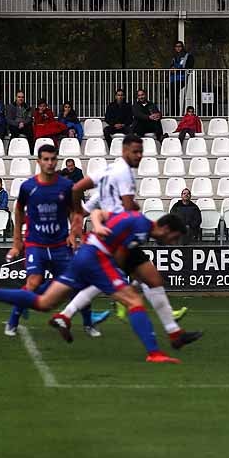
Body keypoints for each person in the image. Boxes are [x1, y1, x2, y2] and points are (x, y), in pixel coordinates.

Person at [0, 205, 188, 363]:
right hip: (96, 258)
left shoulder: (137, 221)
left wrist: (99, 225)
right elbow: (117, 252)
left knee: (45, 302)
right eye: (174, 237)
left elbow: (100, 213)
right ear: (166, 229)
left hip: (85, 256)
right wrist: (117, 276)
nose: (173, 242)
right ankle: (154, 353)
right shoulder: (141, 228)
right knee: (134, 299)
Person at [56, 136, 196, 344]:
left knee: (149, 280)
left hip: (113, 233)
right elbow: (127, 209)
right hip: (119, 235)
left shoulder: (107, 178)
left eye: (141, 152)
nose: (139, 156)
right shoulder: (123, 174)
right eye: (135, 152)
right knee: (123, 280)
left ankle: (65, 315)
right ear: (124, 151)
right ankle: (171, 334)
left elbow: (83, 205)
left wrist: (77, 219)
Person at [1, 144, 105, 338]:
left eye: (52, 159)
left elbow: (75, 212)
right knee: (33, 282)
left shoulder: (66, 186)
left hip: (59, 245)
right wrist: (17, 242)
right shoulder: (28, 187)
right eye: (46, 159)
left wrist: (73, 233)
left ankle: (89, 324)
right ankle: (12, 322)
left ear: (56, 161)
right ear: (38, 161)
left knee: (76, 283)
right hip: (36, 244)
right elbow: (17, 210)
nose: (49, 163)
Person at [168, 41, 192, 116]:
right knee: (171, 95)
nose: (178, 48)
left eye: (179, 46)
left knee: (175, 94)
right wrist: (171, 69)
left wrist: (178, 69)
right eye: (176, 46)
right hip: (173, 79)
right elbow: (171, 66)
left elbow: (189, 66)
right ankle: (172, 112)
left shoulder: (187, 56)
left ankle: (175, 113)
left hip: (182, 78)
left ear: (182, 47)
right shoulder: (174, 57)